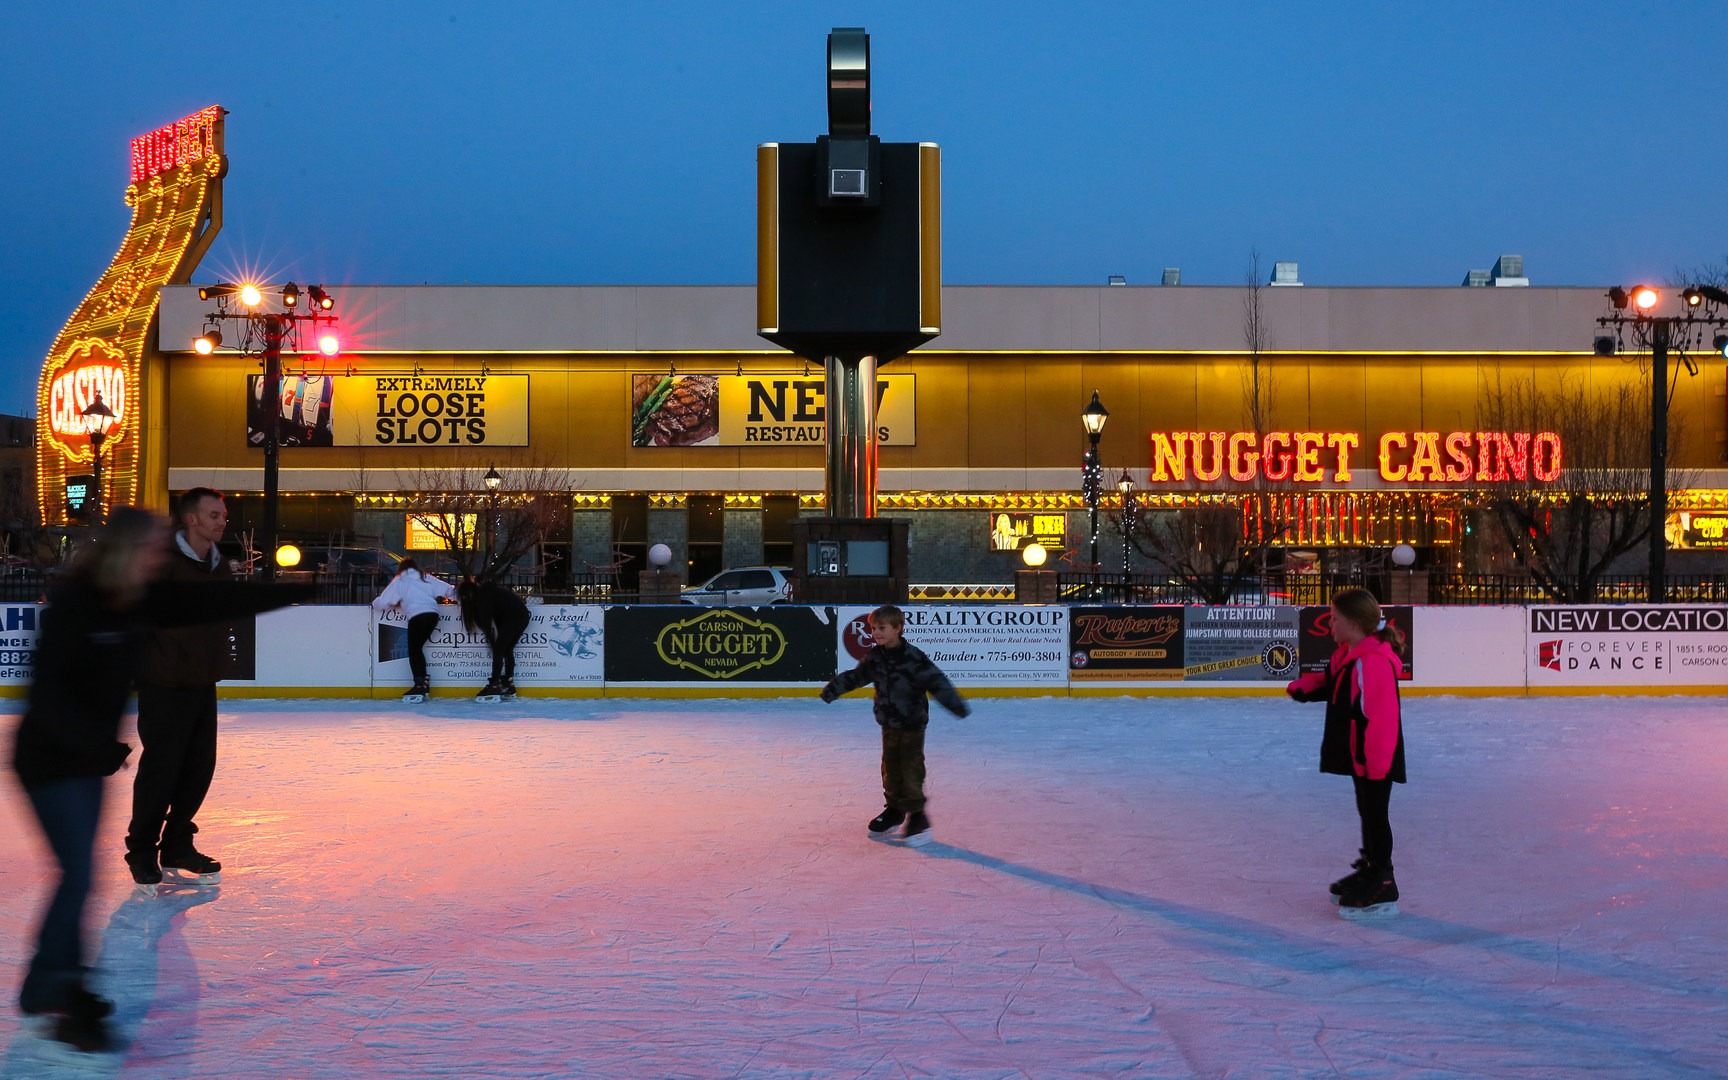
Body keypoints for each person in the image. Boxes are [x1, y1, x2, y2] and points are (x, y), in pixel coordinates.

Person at [11, 508, 310, 1057]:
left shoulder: (139, 599)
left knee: (78, 877)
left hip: (86, 761)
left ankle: (45, 985)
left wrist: (293, 591)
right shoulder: (77, 604)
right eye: (151, 548)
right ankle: (58, 989)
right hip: (48, 761)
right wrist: (96, 745)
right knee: (76, 877)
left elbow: (208, 603)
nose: (159, 556)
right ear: (126, 550)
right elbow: (48, 694)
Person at [123, 487, 239, 891]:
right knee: (161, 770)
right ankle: (141, 850)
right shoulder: (160, 563)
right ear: (191, 519)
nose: (222, 521)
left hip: (202, 683)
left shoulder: (218, 565)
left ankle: (176, 844)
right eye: (214, 515)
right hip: (164, 684)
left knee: (198, 769)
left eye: (223, 515)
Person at [1286, 587, 1407, 919]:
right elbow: (1335, 682)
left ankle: (1383, 880)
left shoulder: (1373, 661)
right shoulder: (1350, 654)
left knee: (1376, 814)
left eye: (1334, 619)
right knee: (1367, 811)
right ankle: (1371, 868)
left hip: (1375, 755)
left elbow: (1381, 717)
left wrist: (1376, 762)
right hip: (1360, 752)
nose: (1330, 625)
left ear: (1353, 623)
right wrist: (1306, 686)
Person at [819, 604, 970, 846]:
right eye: (873, 628)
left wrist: (956, 706)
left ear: (898, 628)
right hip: (888, 723)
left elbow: (937, 681)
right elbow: (857, 676)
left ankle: (918, 817)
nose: (876, 633)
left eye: (882, 628)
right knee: (890, 768)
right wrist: (833, 689)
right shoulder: (876, 656)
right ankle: (895, 810)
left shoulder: (913, 657)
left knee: (910, 769)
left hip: (912, 724)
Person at [371, 558, 456, 700]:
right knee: (417, 649)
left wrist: (374, 604)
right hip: (433, 615)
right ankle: (423, 681)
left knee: (414, 650)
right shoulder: (425, 577)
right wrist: (465, 599)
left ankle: (420, 684)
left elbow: (384, 601)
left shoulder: (400, 580)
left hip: (417, 616)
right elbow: (449, 590)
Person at [456, 578, 531, 700]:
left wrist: (492, 643)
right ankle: (508, 683)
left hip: (514, 617)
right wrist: (492, 642)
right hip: (520, 616)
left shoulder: (482, 597)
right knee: (506, 650)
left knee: (499, 650)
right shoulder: (486, 593)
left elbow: (486, 622)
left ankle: (495, 685)